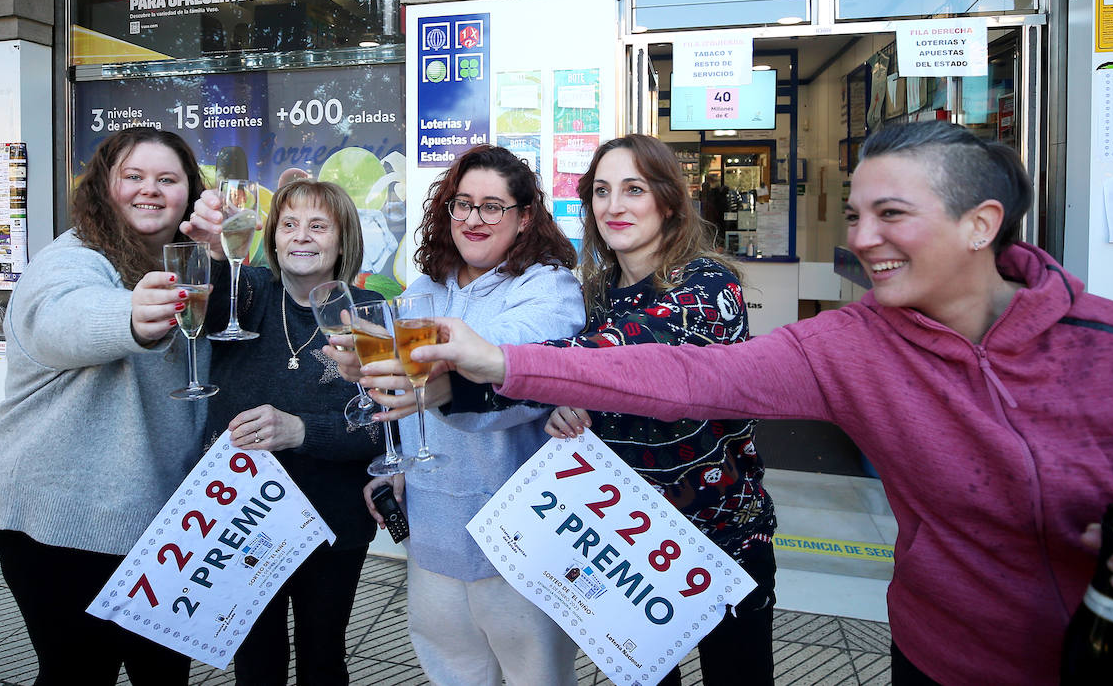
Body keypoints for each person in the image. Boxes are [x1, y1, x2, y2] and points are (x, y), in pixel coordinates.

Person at [416, 121, 1113, 686]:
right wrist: (556, 394)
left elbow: (671, 370)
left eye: (890, 214)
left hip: (725, 540)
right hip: (659, 551)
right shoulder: (852, 340)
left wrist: (504, 364)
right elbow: (658, 380)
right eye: (854, 215)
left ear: (980, 223)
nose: (862, 238)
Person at [430, 134, 778, 685]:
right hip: (625, 547)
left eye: (633, 189)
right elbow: (569, 383)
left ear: (667, 200)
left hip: (717, 544)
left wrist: (499, 360)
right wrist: (438, 392)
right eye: (601, 191)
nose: (614, 206)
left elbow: (626, 355)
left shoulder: (708, 287)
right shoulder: (594, 295)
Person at [331, 145, 585, 686]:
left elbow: (518, 363)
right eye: (462, 204)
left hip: (518, 536)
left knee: (535, 675)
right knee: (453, 671)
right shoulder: (425, 288)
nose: (473, 218)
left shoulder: (549, 287)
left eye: (493, 206)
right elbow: (402, 384)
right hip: (432, 529)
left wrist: (428, 372)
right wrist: (373, 387)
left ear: (523, 219)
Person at [0, 127, 207, 686]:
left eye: (167, 180)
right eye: (133, 177)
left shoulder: (198, 266)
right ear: (106, 186)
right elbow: (61, 316)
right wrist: (132, 317)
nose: (149, 190)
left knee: (166, 672)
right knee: (78, 673)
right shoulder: (71, 258)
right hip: (57, 517)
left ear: (188, 195)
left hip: (162, 522)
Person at [186, 178, 383, 686]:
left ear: (343, 241)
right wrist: (208, 242)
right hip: (244, 519)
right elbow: (207, 278)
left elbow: (383, 431)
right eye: (289, 224)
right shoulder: (245, 293)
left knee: (323, 655)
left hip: (332, 518)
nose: (301, 236)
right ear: (271, 238)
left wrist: (300, 430)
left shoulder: (371, 314)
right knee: (256, 657)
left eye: (318, 226)